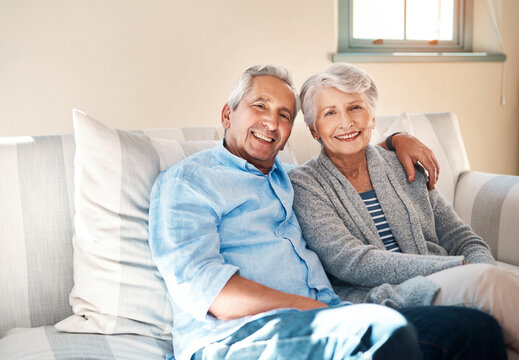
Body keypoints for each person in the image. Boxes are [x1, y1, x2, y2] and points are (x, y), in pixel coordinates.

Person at [148, 64, 506, 360]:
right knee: (382, 333)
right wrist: (315, 310)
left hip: (328, 321)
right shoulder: (188, 182)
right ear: (228, 114)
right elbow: (212, 293)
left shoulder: (288, 177)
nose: (271, 123)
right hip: (242, 336)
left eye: (283, 114)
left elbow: (349, 151)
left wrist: (397, 140)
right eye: (259, 106)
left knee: (476, 328)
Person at [289, 62, 519, 355]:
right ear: (314, 130)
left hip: (444, 280)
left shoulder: (403, 163)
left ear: (373, 117)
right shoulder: (306, 184)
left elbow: (461, 237)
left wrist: (478, 264)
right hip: (381, 296)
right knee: (488, 283)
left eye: (355, 107)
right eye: (330, 113)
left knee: (489, 283)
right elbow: (351, 261)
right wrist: (459, 268)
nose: (345, 122)